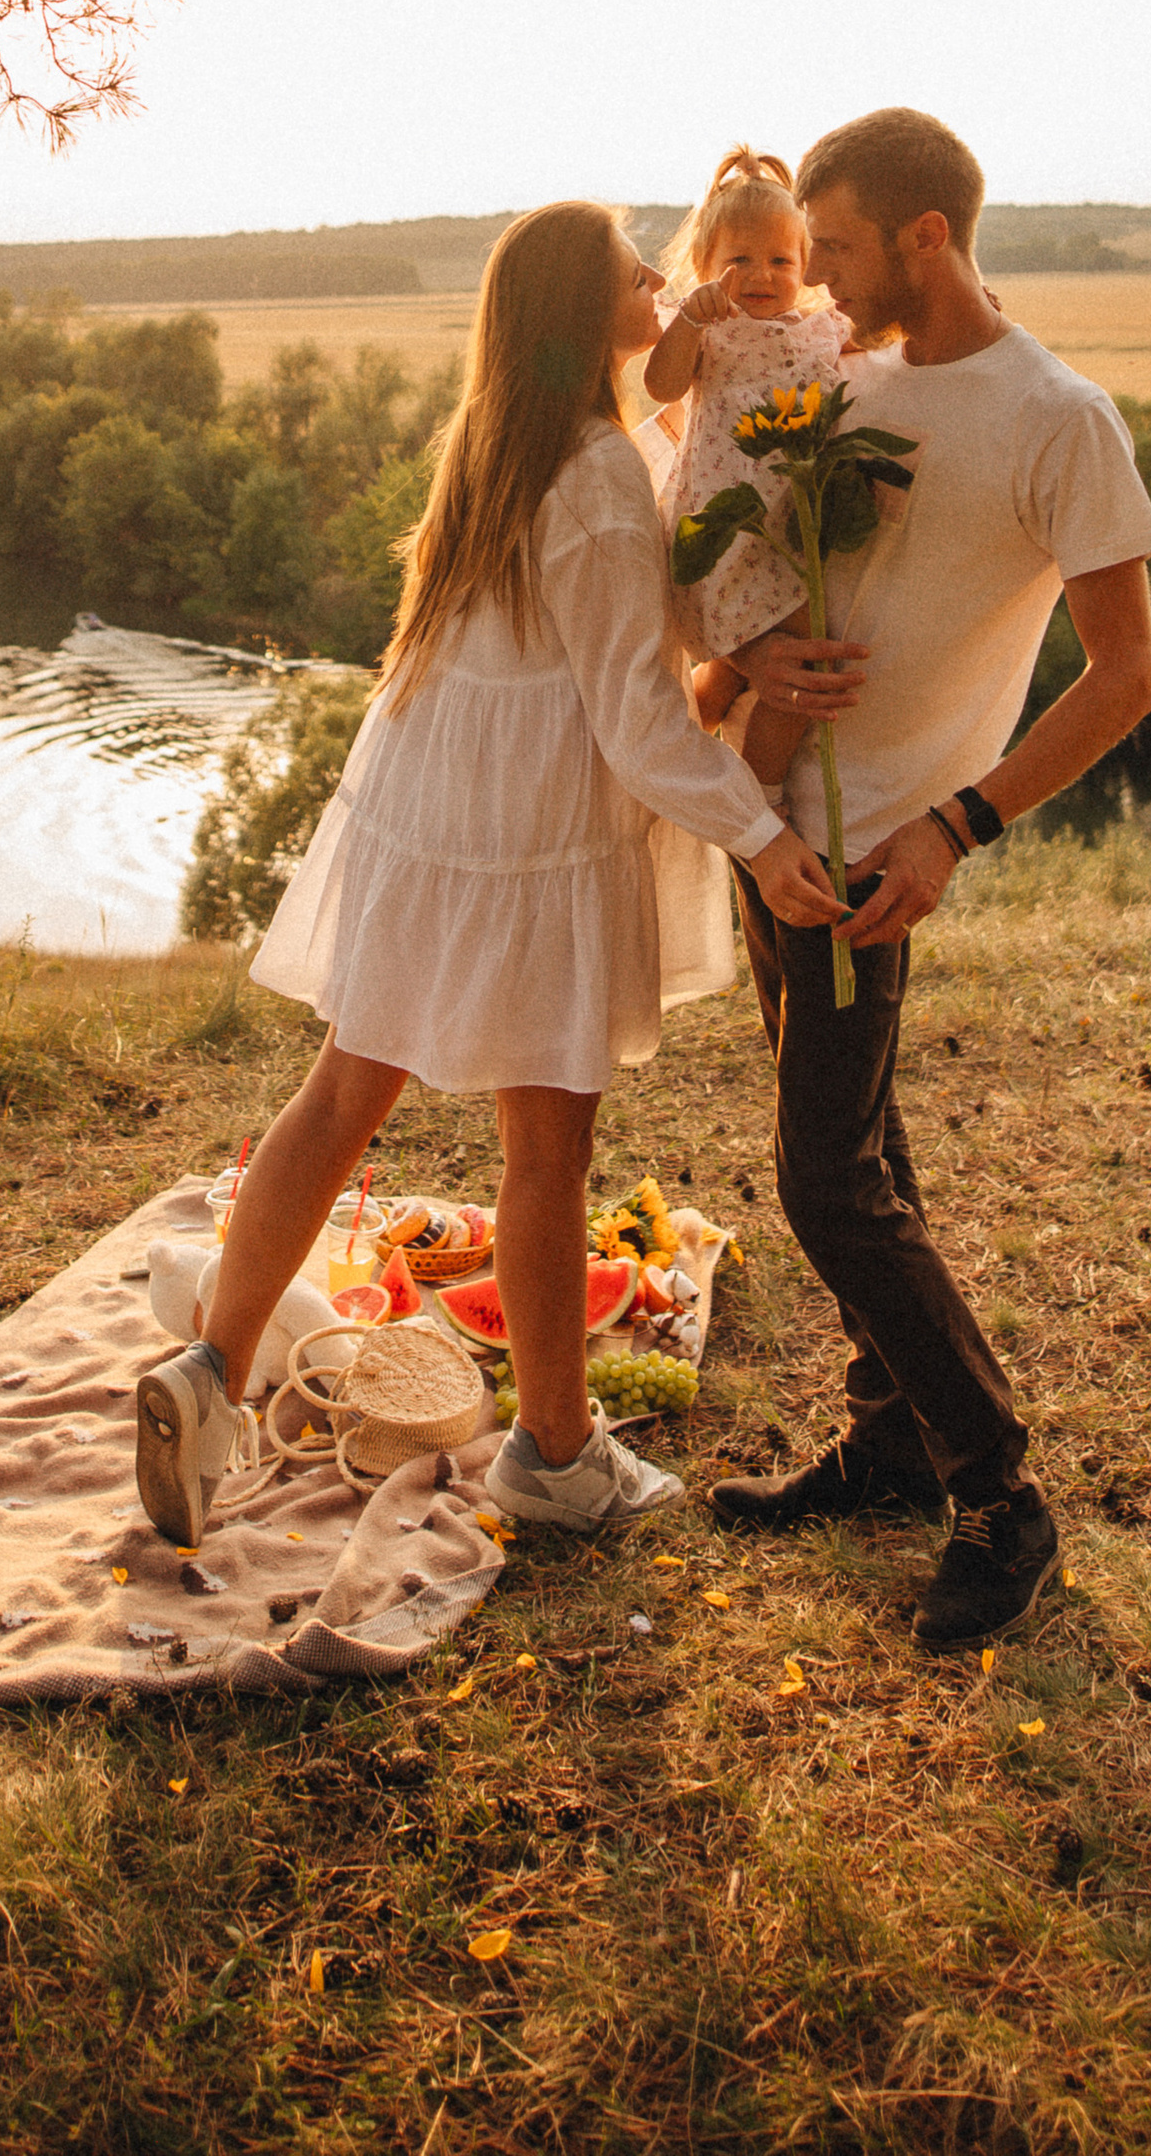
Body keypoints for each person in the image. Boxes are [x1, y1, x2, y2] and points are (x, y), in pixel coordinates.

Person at [133, 201, 833, 1549]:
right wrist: (765, 833)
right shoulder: (593, 473)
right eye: (636, 264)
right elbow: (635, 720)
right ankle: (558, 1457)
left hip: (429, 798)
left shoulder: (504, 443)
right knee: (547, 1152)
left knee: (342, 1091)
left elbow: (622, 613)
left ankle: (209, 1374)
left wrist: (747, 652)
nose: (659, 272)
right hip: (520, 837)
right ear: (588, 316)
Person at [708, 107, 1151, 1649]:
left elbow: (1124, 679)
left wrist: (957, 827)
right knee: (869, 1158)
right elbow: (759, 557)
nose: (815, 280)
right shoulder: (847, 377)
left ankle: (1002, 1498)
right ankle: (894, 1442)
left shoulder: (1060, 419)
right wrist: (745, 659)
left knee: (827, 1182)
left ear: (925, 237)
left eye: (834, 246)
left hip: (880, 854)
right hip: (774, 827)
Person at [642, 145, 855, 777]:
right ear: (703, 267)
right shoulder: (710, 330)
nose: (760, 275)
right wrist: (688, 321)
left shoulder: (821, 329)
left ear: (807, 265)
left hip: (786, 522)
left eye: (780, 260)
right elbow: (661, 385)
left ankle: (688, 742)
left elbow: (891, 338)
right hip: (725, 525)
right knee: (799, 660)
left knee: (745, 667)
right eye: (738, 261)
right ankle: (760, 790)